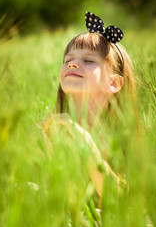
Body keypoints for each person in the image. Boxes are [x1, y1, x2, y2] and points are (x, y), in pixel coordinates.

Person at [40, 11, 137, 198]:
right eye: (68, 60)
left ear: (114, 83)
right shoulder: (51, 130)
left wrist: (84, 143)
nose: (73, 64)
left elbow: (124, 199)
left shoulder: (121, 141)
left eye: (89, 60)